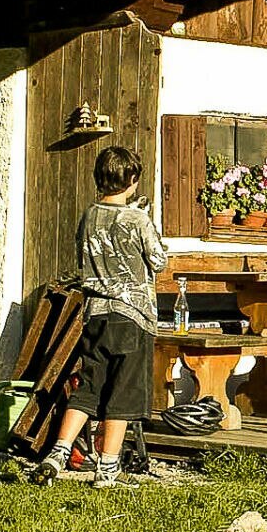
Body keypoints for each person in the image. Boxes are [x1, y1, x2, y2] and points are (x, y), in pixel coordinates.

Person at [47, 145, 169, 489]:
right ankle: (108, 469)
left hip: (95, 315)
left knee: (88, 387)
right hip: (132, 316)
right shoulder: (136, 219)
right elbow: (158, 261)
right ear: (131, 180)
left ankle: (58, 453)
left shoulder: (89, 216)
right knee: (123, 395)